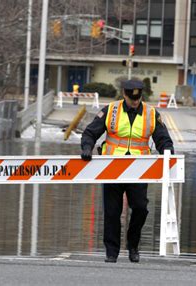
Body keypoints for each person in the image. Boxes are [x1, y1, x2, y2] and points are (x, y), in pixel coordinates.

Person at [80, 79, 174, 263]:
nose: (135, 102)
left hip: (138, 169)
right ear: (124, 94)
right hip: (112, 168)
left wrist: (168, 152)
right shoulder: (111, 111)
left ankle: (133, 245)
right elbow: (90, 133)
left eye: (137, 99)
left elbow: (163, 139)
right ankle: (112, 252)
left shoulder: (151, 113)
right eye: (132, 99)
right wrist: (86, 147)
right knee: (112, 212)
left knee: (140, 208)